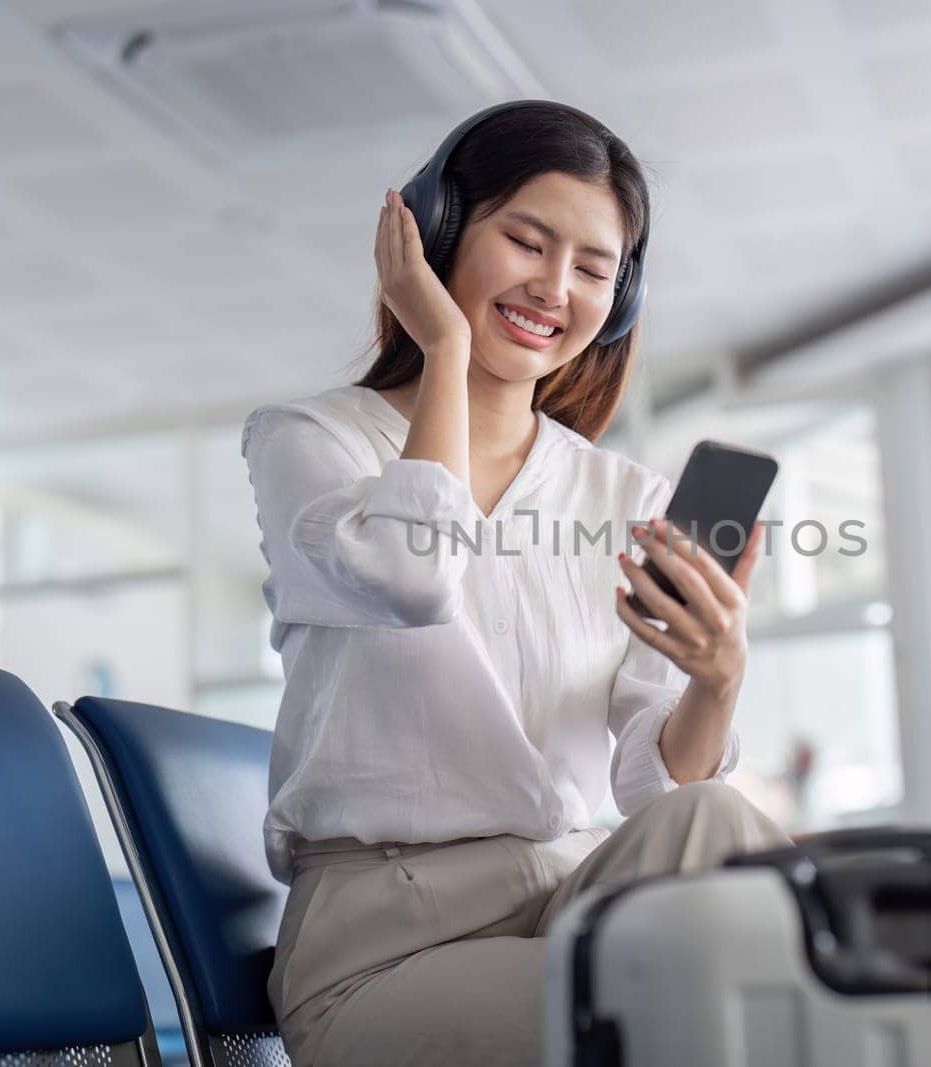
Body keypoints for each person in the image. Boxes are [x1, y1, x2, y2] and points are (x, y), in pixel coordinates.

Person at [242, 101, 793, 1066]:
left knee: (718, 818)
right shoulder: (310, 441)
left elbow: (650, 782)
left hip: (569, 904)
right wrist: (447, 350)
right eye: (527, 242)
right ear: (444, 233)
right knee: (689, 1011)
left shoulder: (625, 494)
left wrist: (715, 679)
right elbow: (414, 576)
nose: (555, 288)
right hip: (386, 946)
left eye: (593, 269)